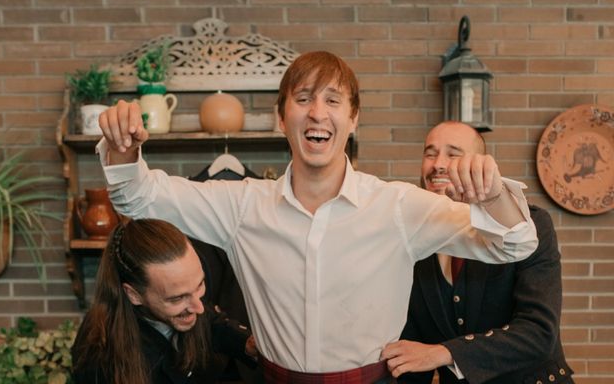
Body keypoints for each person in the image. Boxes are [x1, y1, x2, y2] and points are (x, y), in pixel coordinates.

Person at [97, 50, 538, 382]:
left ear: (353, 119)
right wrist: (123, 145)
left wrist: (493, 191)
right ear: (281, 117)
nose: (317, 112)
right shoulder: (241, 205)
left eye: (333, 100)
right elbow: (137, 196)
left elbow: (513, 243)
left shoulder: (399, 207)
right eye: (303, 98)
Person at [382, 121, 574, 383]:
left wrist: (445, 352)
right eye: (430, 153)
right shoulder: (410, 234)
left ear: (478, 163)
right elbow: (412, 350)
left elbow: (538, 332)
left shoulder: (529, 227)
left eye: (453, 154)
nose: (438, 163)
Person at [71, 218, 257, 384]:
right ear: (134, 294)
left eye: (199, 285)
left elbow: (211, 322)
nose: (198, 307)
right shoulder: (99, 355)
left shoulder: (188, 295)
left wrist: (245, 343)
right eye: (177, 298)